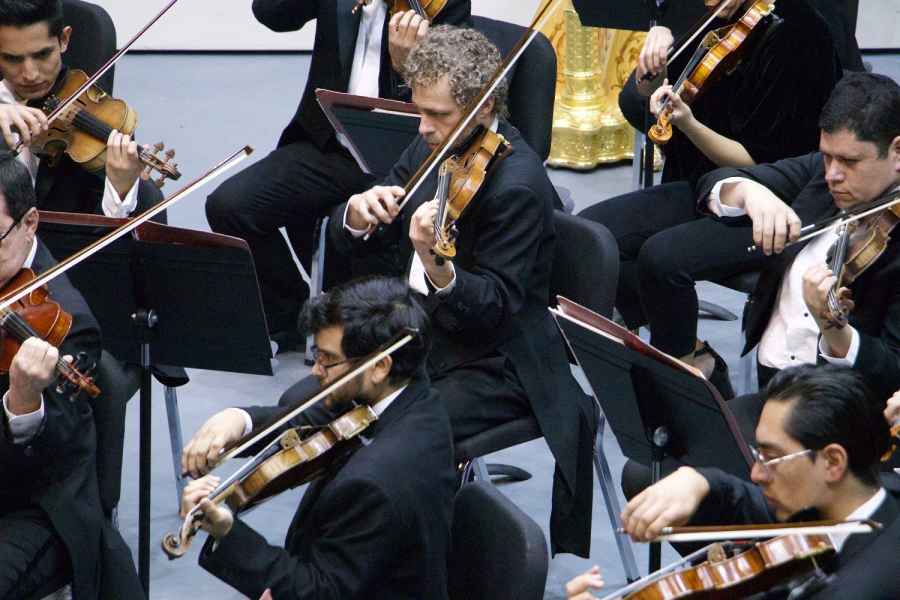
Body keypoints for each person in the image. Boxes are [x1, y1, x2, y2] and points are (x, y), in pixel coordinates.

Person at [323, 25, 596, 556]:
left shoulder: (517, 184)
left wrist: (436, 265)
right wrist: (357, 212)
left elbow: (495, 308)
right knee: (318, 400)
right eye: (419, 110)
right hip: (422, 331)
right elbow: (374, 217)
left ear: (482, 105)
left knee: (386, 428)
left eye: (438, 115)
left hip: (497, 361)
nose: (422, 126)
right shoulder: (436, 138)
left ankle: (402, 562)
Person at [616, 71, 900, 497]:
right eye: (827, 157)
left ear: (897, 152)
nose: (833, 175)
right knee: (647, 473)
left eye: (849, 162)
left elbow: (892, 370)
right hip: (775, 394)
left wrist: (836, 331)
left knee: (671, 482)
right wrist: (750, 194)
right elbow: (716, 181)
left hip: (841, 417)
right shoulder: (823, 178)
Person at [205, 0, 471, 351]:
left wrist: (408, 67)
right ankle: (293, 318)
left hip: (401, 155)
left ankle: (370, 320)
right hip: (329, 143)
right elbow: (271, 14)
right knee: (229, 206)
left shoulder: (443, 3)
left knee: (371, 256)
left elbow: (450, 100)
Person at [179, 276, 456, 599]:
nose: (315, 370)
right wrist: (238, 420)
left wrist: (228, 532)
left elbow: (320, 592)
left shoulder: (375, 482)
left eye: (327, 359)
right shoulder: (410, 391)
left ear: (380, 366)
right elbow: (311, 417)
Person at [568, 365, 900, 600]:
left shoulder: (859, 588)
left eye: (772, 458)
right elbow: (757, 508)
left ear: (833, 462)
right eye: (758, 454)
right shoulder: (859, 504)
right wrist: (701, 481)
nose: (756, 474)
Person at [0, 154, 143, 599]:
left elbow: (48, 459)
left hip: (32, 504)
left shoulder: (68, 324)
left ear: (30, 223)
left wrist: (23, 403)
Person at [0, 0, 163, 217]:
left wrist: (120, 189)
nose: (30, 74)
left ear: (64, 39)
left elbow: (110, 229)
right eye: (12, 59)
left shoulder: (99, 119)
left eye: (42, 55)